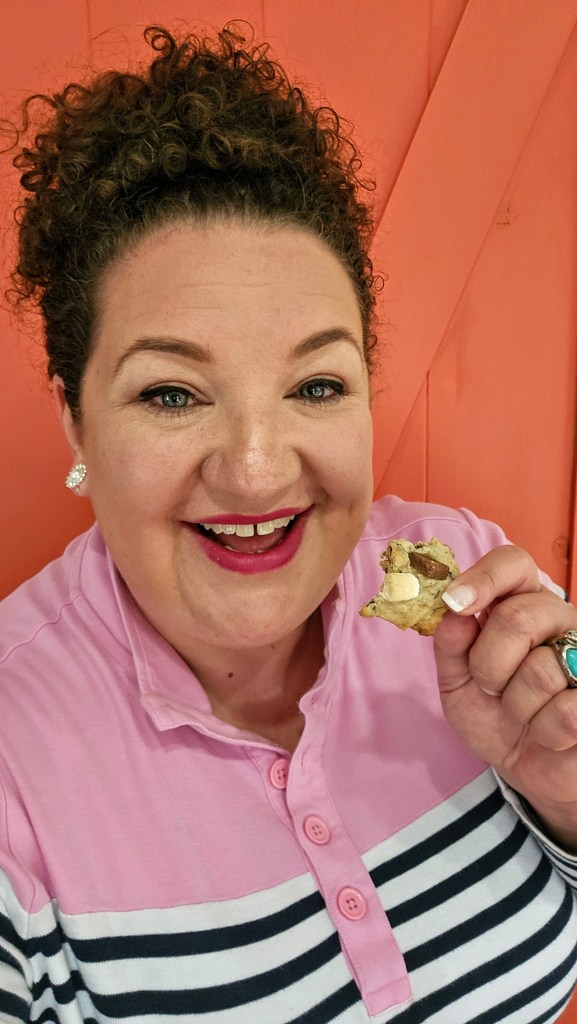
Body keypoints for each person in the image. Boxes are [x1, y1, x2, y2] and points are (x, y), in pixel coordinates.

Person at [1, 24, 576, 1024]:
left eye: (315, 384)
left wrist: (566, 799)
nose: (258, 471)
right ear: (75, 418)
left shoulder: (467, 579)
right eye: (172, 394)